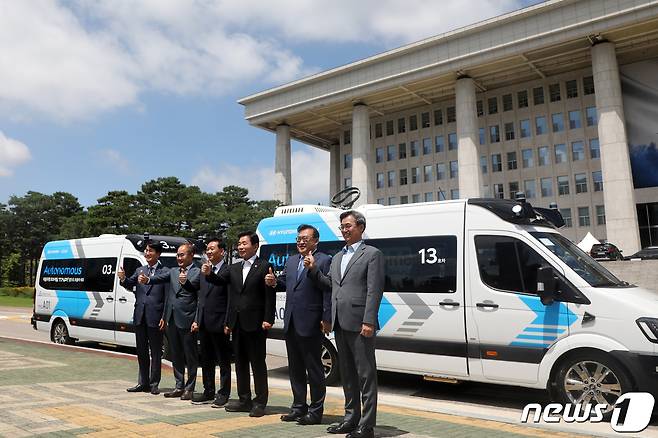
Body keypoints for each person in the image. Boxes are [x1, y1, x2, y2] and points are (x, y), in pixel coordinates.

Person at [306, 210, 384, 438]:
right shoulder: (338, 256)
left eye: (348, 225)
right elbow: (330, 285)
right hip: (340, 322)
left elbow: (374, 290)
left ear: (360, 227)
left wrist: (369, 320)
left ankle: (367, 426)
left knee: (365, 375)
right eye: (342, 227)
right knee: (348, 375)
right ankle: (350, 419)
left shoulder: (372, 254)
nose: (344, 230)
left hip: (360, 323)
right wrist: (312, 269)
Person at [265, 224, 331, 425]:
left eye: (305, 238)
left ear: (315, 241)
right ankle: (298, 407)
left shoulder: (324, 260)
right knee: (295, 368)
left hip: (311, 322)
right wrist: (274, 281)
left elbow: (327, 288)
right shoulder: (292, 260)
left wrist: (326, 317)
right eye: (298, 239)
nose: (301, 242)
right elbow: (285, 282)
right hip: (291, 321)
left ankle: (316, 411)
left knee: (314, 369)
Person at [206, 231, 275, 418]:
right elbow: (221, 283)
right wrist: (209, 274)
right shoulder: (234, 268)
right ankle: (244, 399)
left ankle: (260, 402)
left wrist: (268, 318)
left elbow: (270, 295)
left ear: (255, 246)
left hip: (256, 324)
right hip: (237, 324)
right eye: (239, 244)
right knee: (241, 364)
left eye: (244, 243)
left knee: (258, 364)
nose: (240, 247)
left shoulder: (264, 266)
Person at [149, 242, 201, 400]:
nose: (179, 258)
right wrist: (146, 280)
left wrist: (197, 320)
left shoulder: (198, 272)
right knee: (176, 354)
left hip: (188, 319)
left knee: (190, 356)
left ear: (191, 255)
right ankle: (179, 386)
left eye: (182, 255)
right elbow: (159, 282)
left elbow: (200, 300)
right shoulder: (173, 271)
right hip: (172, 319)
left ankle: (190, 388)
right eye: (177, 255)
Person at [118, 240, 169, 395]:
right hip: (140, 316)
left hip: (156, 317)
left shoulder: (165, 271)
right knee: (141, 351)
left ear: (158, 254)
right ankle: (142, 382)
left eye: (151, 251)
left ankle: (154, 384)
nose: (147, 253)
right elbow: (129, 283)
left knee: (155, 352)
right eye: (146, 250)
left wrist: (165, 317)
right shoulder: (140, 270)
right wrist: (122, 278)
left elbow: (168, 297)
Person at [191, 237, 232, 408]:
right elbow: (200, 297)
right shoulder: (203, 270)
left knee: (223, 361)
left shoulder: (228, 270)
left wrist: (228, 321)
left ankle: (223, 393)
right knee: (206, 359)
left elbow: (230, 298)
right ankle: (208, 391)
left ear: (221, 251)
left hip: (220, 322)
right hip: (205, 323)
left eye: (212, 248)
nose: (208, 251)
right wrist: (184, 281)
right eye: (207, 249)